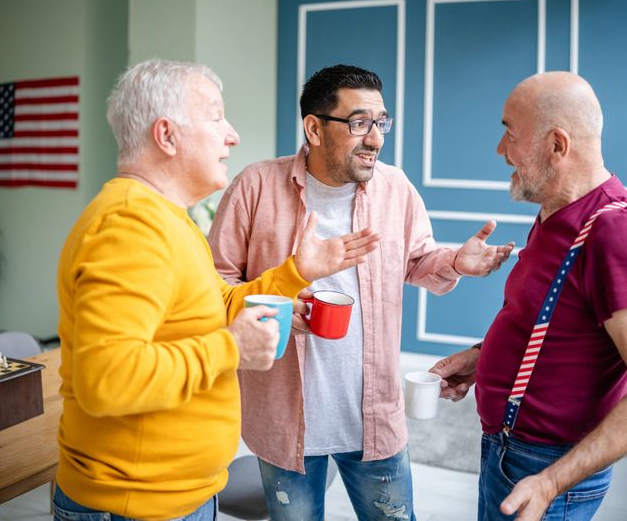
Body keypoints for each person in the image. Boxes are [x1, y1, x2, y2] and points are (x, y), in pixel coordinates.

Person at [53, 59, 379, 521]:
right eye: (215, 116)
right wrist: (230, 348)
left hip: (175, 498)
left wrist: (294, 274)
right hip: (134, 506)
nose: (232, 134)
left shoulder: (168, 218)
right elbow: (107, 381)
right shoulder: (129, 227)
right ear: (166, 136)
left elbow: (215, 304)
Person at [208, 64, 514, 520]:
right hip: (283, 418)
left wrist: (454, 262)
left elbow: (415, 261)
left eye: (381, 122)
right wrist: (271, 304)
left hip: (372, 417)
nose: (375, 138)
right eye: (359, 123)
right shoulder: (255, 186)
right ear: (314, 128)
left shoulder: (396, 189)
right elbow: (215, 281)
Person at [430, 71, 627, 521]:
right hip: (507, 452)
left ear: (556, 145)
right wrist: (480, 355)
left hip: (547, 472)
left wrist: (550, 482)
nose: (499, 150)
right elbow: (547, 323)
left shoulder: (619, 233)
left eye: (509, 134)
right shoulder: (555, 210)